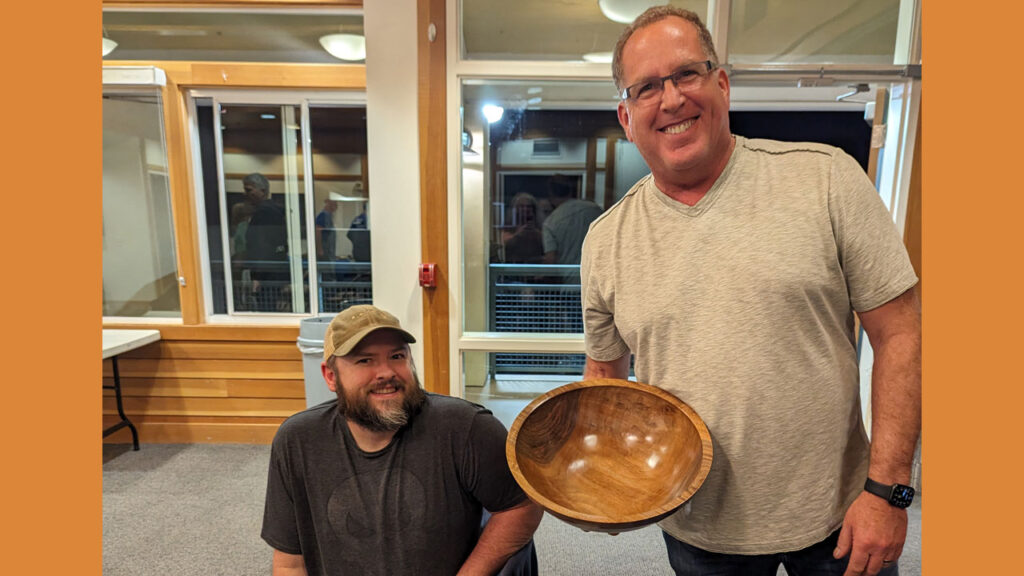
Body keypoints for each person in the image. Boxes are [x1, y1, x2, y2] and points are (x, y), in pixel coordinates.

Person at [580, 7, 921, 576]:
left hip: (839, 516)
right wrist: (615, 482)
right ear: (626, 115)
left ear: (721, 83)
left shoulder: (825, 179)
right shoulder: (605, 240)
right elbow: (605, 381)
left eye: (687, 74)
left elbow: (902, 334)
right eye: (646, 88)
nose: (670, 100)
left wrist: (889, 492)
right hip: (696, 524)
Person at [261, 305, 543, 576]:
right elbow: (289, 563)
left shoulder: (465, 428)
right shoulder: (298, 441)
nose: (386, 372)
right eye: (365, 360)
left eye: (397, 356)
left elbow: (521, 506)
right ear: (331, 376)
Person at [241, 172, 289, 311]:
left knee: (267, 309)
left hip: (267, 273)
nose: (246, 194)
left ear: (262, 191)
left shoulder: (265, 212)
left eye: (249, 190)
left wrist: (258, 276)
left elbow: (263, 246)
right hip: (272, 271)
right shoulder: (271, 211)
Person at [541, 175, 603, 266]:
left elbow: (551, 260)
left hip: (569, 278)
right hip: (597, 275)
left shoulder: (550, 223)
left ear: (550, 194)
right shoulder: (595, 209)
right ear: (571, 191)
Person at [315, 192, 341, 281]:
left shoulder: (329, 216)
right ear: (330, 204)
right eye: (335, 204)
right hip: (325, 252)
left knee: (330, 272)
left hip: (329, 252)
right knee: (327, 275)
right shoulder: (323, 215)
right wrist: (320, 249)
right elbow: (317, 231)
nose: (336, 207)